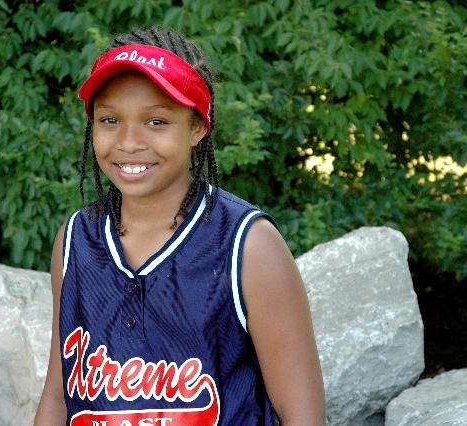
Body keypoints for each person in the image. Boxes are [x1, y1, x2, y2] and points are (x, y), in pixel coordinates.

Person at [35, 27, 326, 426]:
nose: (129, 142)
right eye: (109, 119)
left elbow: (302, 416)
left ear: (197, 127)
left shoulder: (248, 245)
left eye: (156, 121)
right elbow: (58, 397)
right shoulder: (76, 240)